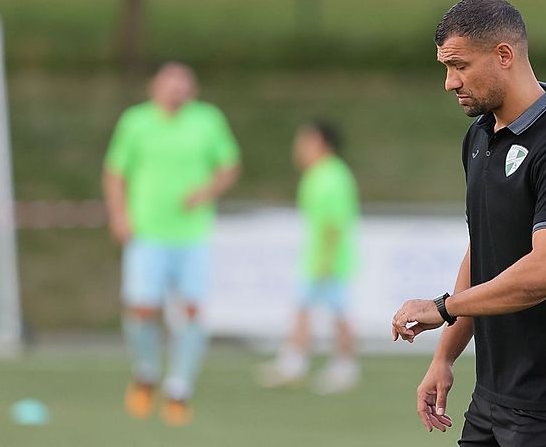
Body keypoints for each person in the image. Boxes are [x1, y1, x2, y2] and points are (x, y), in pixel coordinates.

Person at [391, 0, 546, 446]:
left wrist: (442, 308)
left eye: (459, 65)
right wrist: (445, 356)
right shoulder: (479, 135)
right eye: (445, 67)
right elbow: (484, 248)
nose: (449, 82)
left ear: (503, 56)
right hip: (493, 396)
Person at [103, 62, 241, 425]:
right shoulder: (136, 122)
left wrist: (207, 191)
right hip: (147, 232)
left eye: (183, 85)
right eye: (170, 84)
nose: (176, 91)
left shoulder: (207, 120)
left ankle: (179, 388)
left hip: (192, 235)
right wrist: (119, 214)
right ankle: (146, 373)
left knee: (192, 310)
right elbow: (115, 171)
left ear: (192, 90)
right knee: (142, 308)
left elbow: (229, 166)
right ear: (155, 88)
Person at [261, 120, 361, 394]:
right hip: (317, 257)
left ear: (320, 142)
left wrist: (326, 260)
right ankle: (295, 361)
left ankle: (343, 367)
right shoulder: (318, 175)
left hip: (328, 260)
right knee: (305, 308)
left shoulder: (332, 176)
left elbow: (334, 223)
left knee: (336, 312)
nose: (299, 148)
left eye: (304, 140)